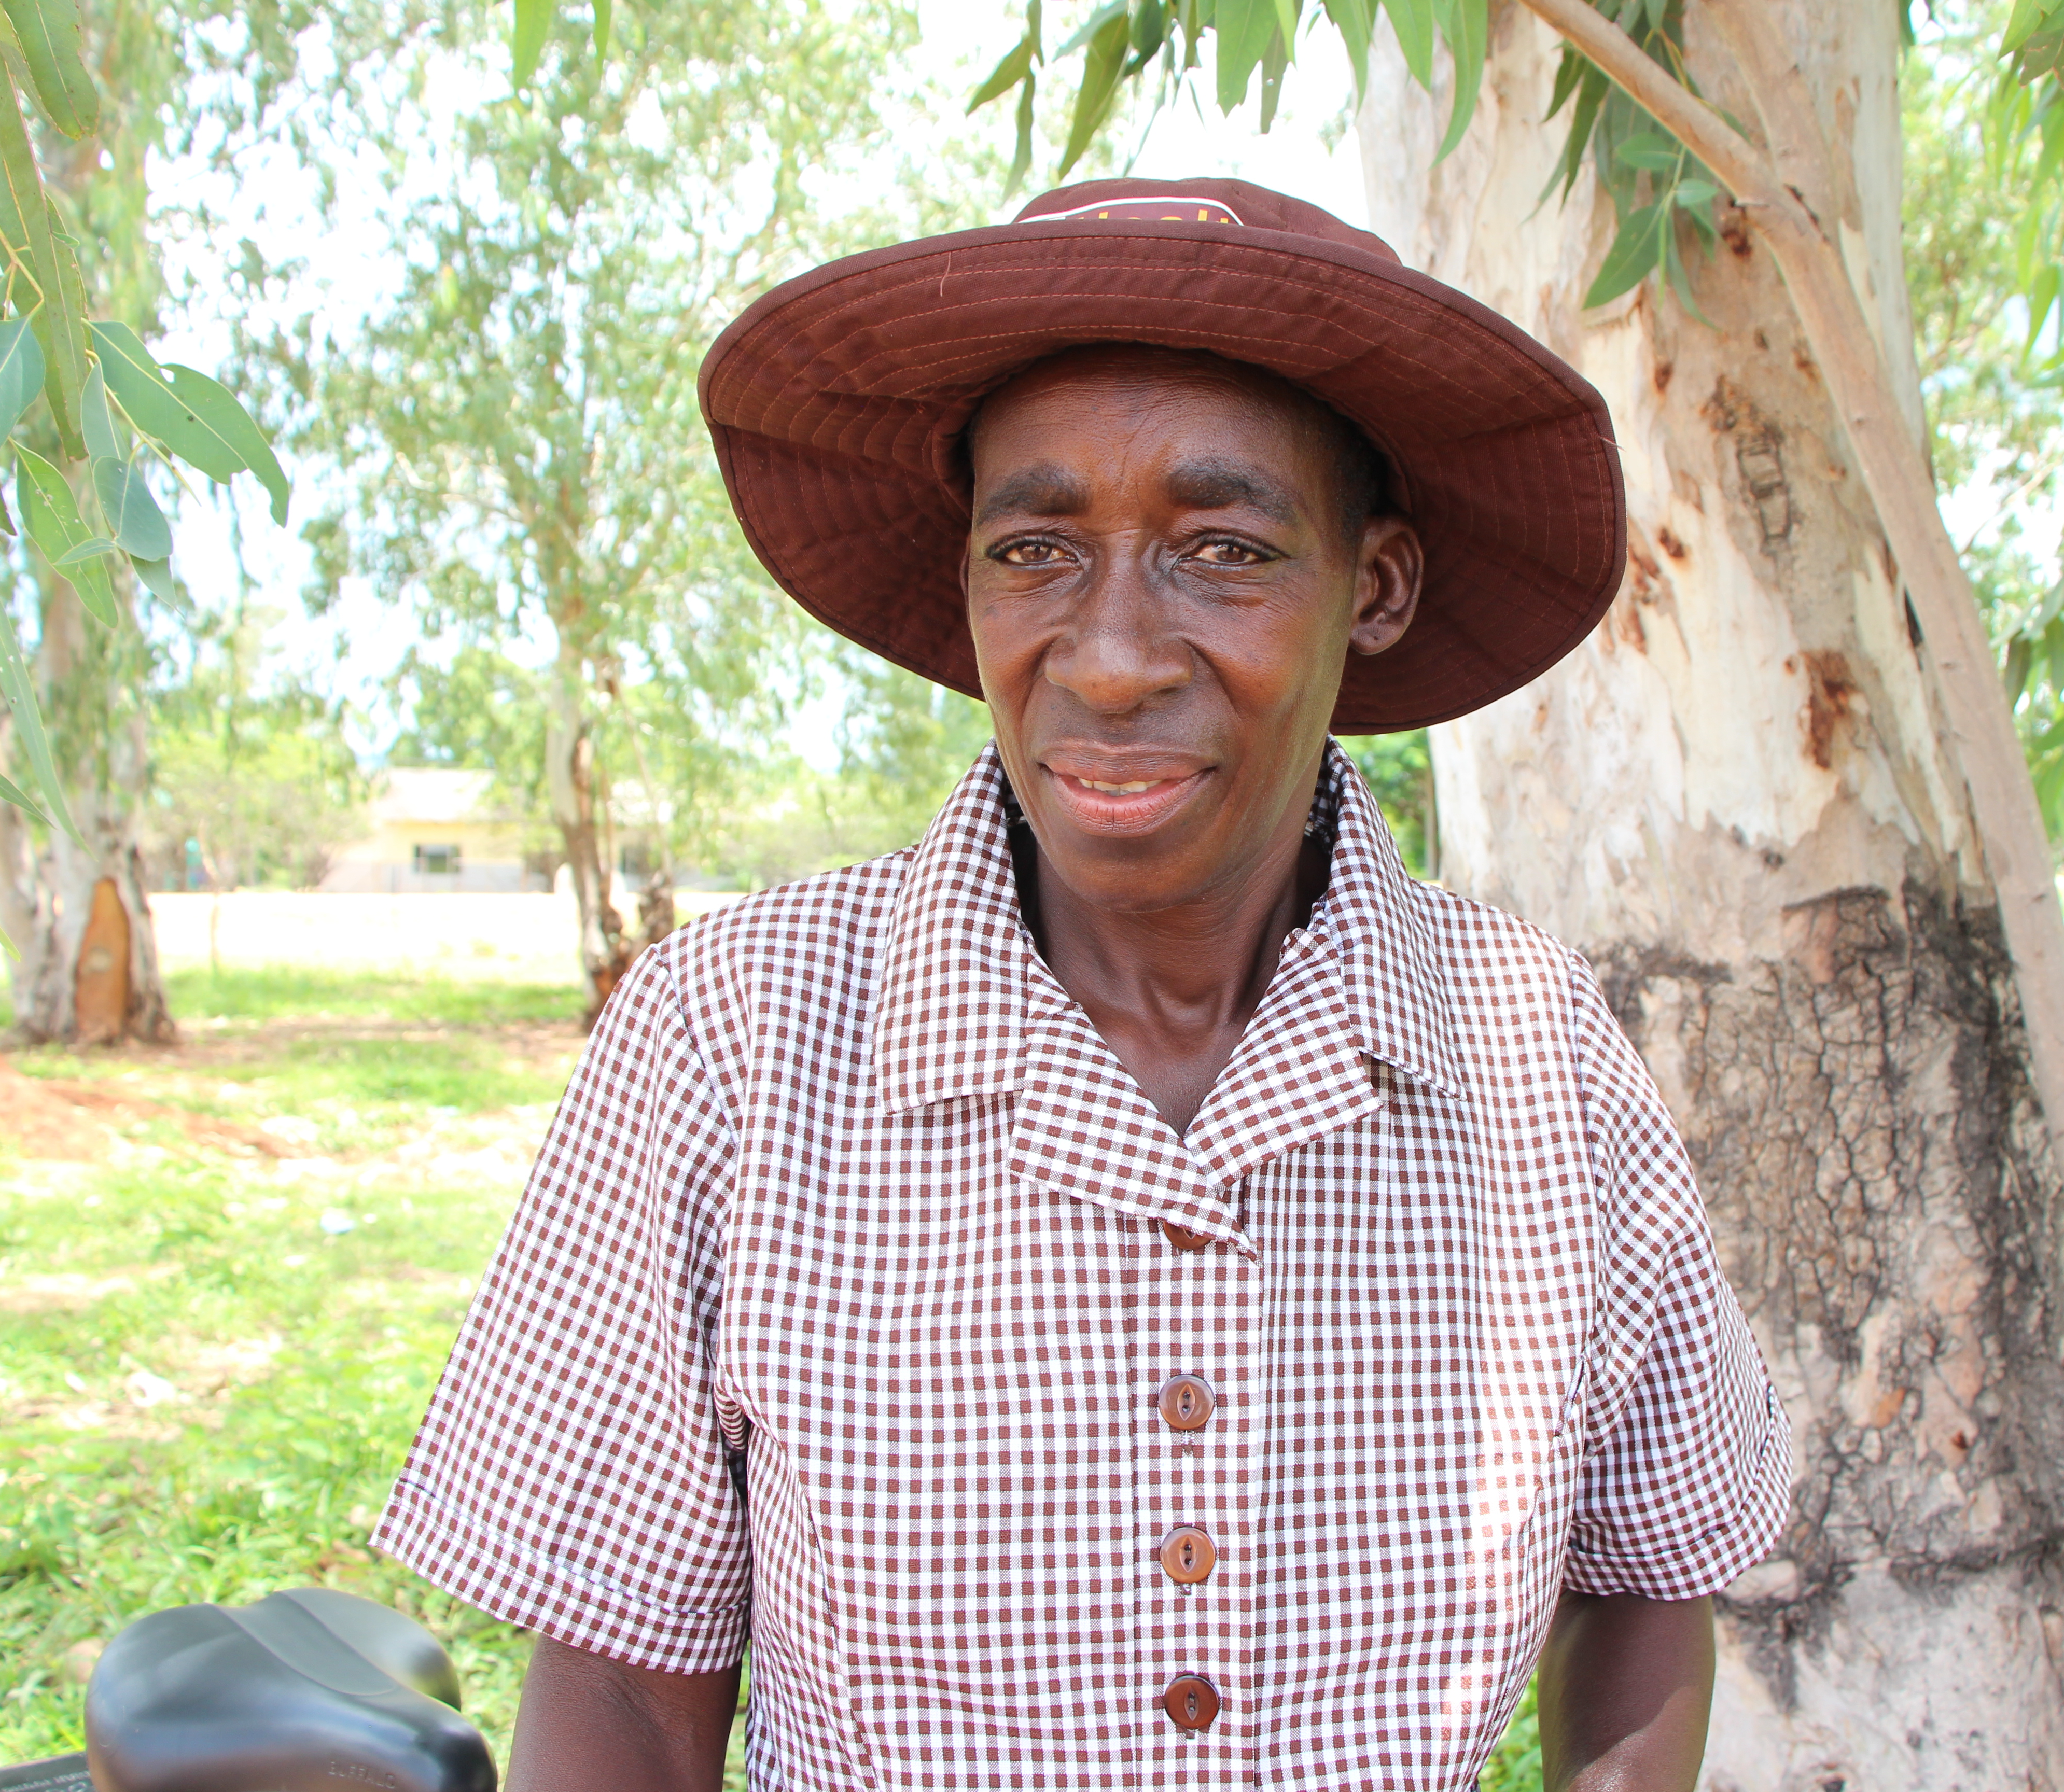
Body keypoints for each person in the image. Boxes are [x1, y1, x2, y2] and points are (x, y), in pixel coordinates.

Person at [373, 178, 1790, 1791]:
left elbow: (1645, 1582)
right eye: (1037, 549)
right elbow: (624, 1696)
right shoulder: (736, 1041)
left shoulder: (1533, 1057)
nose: (1111, 657)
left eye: (1223, 549)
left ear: (1375, 587)